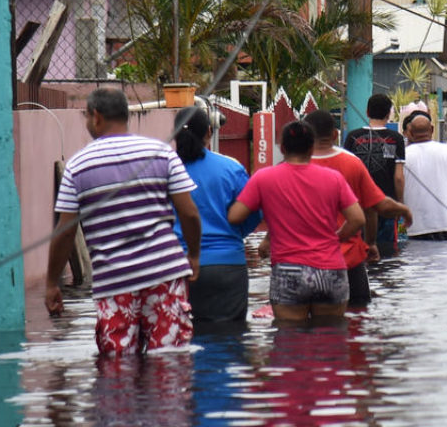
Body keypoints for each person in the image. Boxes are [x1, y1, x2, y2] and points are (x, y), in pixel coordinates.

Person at [46, 87, 202, 356]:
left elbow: (65, 230)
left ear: (96, 117)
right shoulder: (161, 153)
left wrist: (51, 283)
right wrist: (194, 254)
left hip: (114, 282)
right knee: (169, 364)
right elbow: (189, 213)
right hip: (164, 275)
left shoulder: (77, 165)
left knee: (118, 370)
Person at [227, 120, 365, 321]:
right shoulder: (333, 178)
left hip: (288, 269)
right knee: (331, 339)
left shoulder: (263, 178)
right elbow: (358, 219)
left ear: (282, 148)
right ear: (311, 147)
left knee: (289, 343)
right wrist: (337, 238)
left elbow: (235, 216)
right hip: (330, 268)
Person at [304, 109, 412, 308]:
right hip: (347, 260)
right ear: (336, 134)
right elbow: (372, 207)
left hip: (302, 262)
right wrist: (370, 242)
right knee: (357, 320)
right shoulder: (352, 163)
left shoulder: (291, 167)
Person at [172, 106, 261, 324]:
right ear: (209, 132)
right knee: (230, 340)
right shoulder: (231, 168)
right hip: (227, 266)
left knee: (178, 343)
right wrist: (234, 234)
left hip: (175, 267)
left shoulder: (164, 169)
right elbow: (254, 212)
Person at [344, 94, 408, 256]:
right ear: (389, 114)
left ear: (367, 112)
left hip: (357, 206)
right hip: (386, 203)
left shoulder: (353, 137)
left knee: (360, 250)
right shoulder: (396, 139)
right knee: (387, 252)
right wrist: (399, 203)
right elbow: (398, 177)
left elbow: (346, 174)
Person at [401, 113, 447, 241]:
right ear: (432, 130)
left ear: (410, 132)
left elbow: (398, 183)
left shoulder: (403, 156)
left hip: (418, 227)